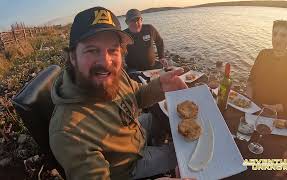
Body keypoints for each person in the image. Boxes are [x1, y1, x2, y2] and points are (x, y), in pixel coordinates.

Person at [49, 7, 188, 180]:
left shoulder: (115, 74)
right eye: (92, 50)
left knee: (168, 118)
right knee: (183, 153)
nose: (106, 62)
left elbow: (137, 95)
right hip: (129, 166)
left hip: (133, 133)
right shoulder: (69, 132)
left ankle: (158, 143)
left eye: (113, 49)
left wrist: (160, 85)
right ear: (72, 57)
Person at [246, 20, 287, 117]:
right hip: (253, 107)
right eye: (274, 34)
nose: (277, 38)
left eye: (283, 35)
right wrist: (248, 100)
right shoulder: (263, 54)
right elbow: (251, 81)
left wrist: (275, 108)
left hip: (277, 115)